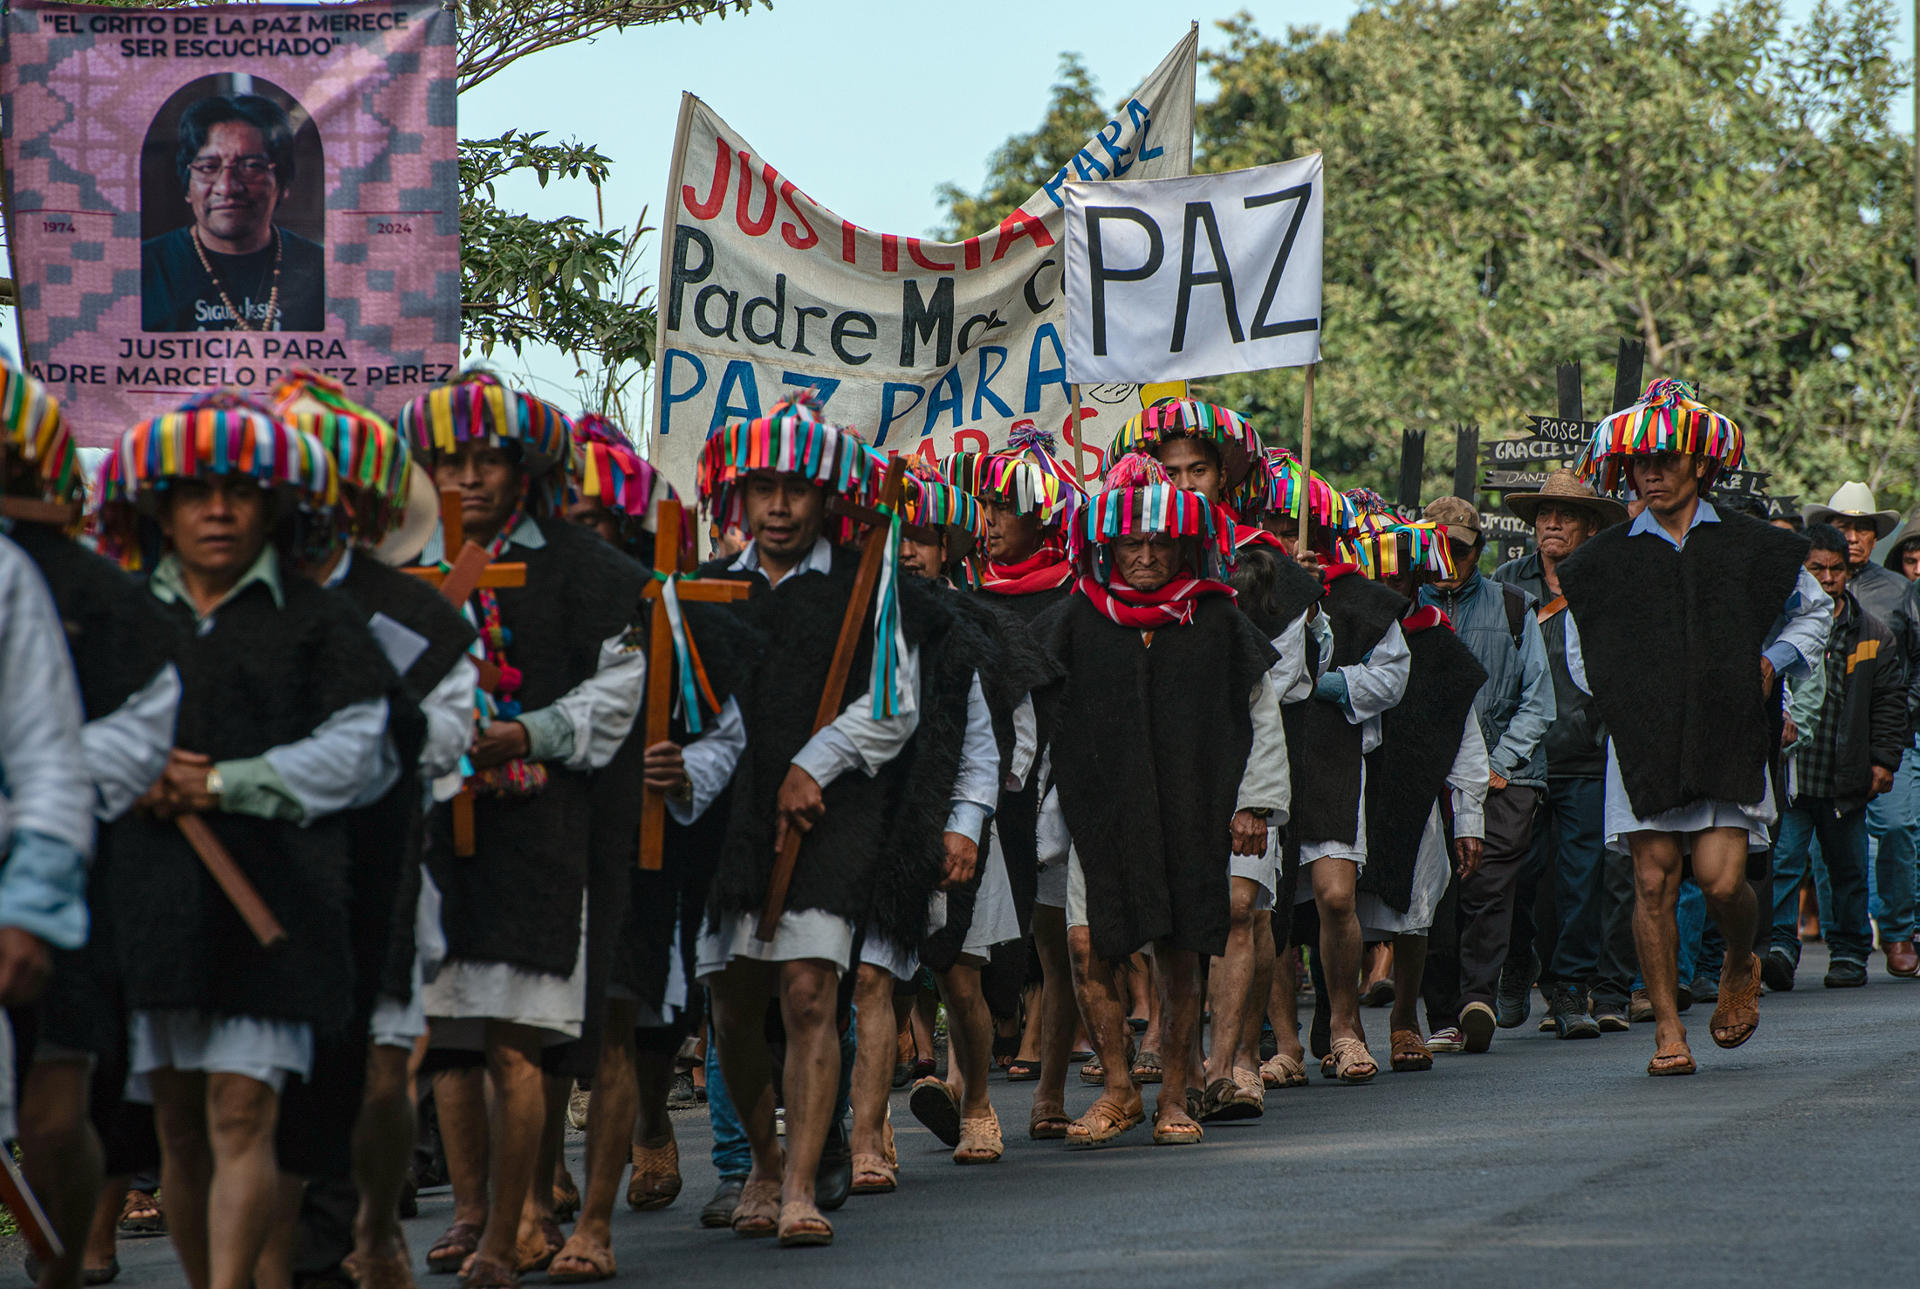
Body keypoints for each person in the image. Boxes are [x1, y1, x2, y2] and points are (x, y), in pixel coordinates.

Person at [95, 391, 398, 1289]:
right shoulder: (116, 618)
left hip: (279, 904)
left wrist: (226, 780)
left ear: (274, 506)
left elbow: (361, 751)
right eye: (196, 491)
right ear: (160, 506)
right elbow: (49, 732)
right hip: (149, 906)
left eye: (238, 491)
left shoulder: (319, 620)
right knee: (180, 1126)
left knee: (242, 1109)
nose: (217, 509)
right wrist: (128, 766)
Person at [398, 374, 647, 1289]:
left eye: (487, 459)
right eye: (449, 460)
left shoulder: (595, 570)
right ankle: (471, 1215)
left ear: (527, 466)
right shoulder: (402, 564)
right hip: (432, 838)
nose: (468, 477)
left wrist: (523, 733)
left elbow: (617, 695)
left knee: (522, 1036)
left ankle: (515, 1234)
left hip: (548, 832)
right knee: (443, 1036)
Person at [688, 392, 939, 1247]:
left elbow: (894, 707)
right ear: (741, 496)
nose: (781, 506)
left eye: (796, 488)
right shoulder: (710, 593)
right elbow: (690, 710)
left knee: (807, 992)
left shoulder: (866, 587)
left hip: (833, 818)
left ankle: (797, 1185)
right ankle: (761, 1158)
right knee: (731, 1006)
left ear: (827, 495)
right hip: (730, 823)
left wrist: (812, 763)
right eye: (764, 488)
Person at [264, 372, 476, 1289]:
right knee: (262, 1088)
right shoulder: (230, 599)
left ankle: (378, 1219)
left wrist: (353, 749)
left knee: (385, 1074)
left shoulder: (424, 613)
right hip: (260, 872)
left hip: (385, 871)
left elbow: (449, 734)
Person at [1559, 378, 1829, 1076]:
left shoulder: (1752, 545)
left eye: (1665, 458)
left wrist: (1771, 663)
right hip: (1642, 742)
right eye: (1639, 462)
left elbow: (1816, 611)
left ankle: (1741, 956)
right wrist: (1631, 693)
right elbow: (1579, 648)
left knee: (1718, 880)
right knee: (1652, 881)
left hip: (1726, 734)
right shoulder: (1602, 559)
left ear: (1702, 464)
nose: (1650, 472)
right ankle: (1668, 1031)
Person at [548, 413, 756, 1279]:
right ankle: (540, 1183)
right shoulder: (524, 593)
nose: (591, 541)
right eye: (577, 522)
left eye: (606, 525)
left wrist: (682, 773)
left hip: (652, 836)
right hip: (549, 834)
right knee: (551, 1018)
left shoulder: (678, 609)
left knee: (634, 1014)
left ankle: (649, 1128)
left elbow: (725, 729)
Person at [1041, 454, 1287, 1146]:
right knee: (1089, 946)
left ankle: (1175, 1094)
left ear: (1182, 544)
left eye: (1159, 541)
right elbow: (1038, 721)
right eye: (1130, 542)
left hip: (1192, 808)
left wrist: (1255, 805)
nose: (1145, 554)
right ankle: (1119, 1088)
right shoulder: (1076, 621)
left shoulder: (1217, 621)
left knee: (1180, 955)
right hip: (1103, 812)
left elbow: (1261, 718)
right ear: (1109, 545)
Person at [0, 367, 152, 1289]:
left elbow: (60, 752)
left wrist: (33, 898)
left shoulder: (47, 584)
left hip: (55, 887)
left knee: (57, 1114)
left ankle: (65, 1257)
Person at [945, 425, 1085, 1143]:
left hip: (1055, 795)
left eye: (1005, 506)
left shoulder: (1075, 594)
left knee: (1056, 945)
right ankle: (957, 1080)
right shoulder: (962, 597)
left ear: (1042, 513)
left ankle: (1052, 1089)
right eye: (984, 505)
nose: (991, 519)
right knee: (958, 945)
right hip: (986, 794)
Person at [1345, 519, 1490, 1071]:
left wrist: (1468, 819)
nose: (1392, 589)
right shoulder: (1340, 629)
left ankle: (1405, 1018)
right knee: (1337, 907)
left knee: (1414, 912)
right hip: (1350, 789)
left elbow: (1464, 732)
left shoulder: (1437, 641)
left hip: (1414, 796)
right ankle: (1342, 1020)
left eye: (1402, 579)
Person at [1492, 469, 1630, 1036]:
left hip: (1586, 754)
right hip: (1519, 760)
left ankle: (1571, 990)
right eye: (1544, 514)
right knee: (1517, 877)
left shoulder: (1608, 584)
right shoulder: (1504, 584)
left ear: (1591, 525)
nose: (1552, 522)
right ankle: (1517, 960)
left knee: (1581, 880)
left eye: (1566, 514)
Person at [1417, 497, 1555, 1051]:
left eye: (1462, 549)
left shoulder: (1515, 606)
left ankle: (1478, 997)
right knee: (1434, 893)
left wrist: (1497, 764)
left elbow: (1538, 701)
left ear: (1478, 551)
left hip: (1509, 774)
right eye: (1440, 547)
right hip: (1428, 775)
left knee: (1489, 885)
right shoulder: (1403, 605)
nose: (1451, 559)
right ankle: (1443, 1015)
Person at [1762, 525, 1906, 989]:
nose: (1827, 577)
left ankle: (1848, 951)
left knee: (1847, 868)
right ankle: (1780, 947)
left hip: (1846, 773)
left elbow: (1889, 701)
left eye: (1836, 568)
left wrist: (1883, 760)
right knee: (1783, 862)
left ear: (1849, 570)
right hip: (1793, 771)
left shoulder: (1871, 632)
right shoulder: (1785, 624)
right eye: (1816, 568)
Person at [1803, 483, 1920, 978]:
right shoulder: (1804, 585)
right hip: (1821, 738)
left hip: (1888, 734)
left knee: (1896, 827)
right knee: (1827, 845)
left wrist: (1895, 721)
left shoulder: (1899, 590)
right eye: (1844, 527)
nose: (1852, 537)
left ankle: (1896, 933)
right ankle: (1843, 943)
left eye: (1862, 529)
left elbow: (1915, 667)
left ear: (1875, 537)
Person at [141, 94, 324, 332]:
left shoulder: (324, 274)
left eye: (250, 167)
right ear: (187, 187)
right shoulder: (139, 272)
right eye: (208, 167)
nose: (227, 187)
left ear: (283, 185)